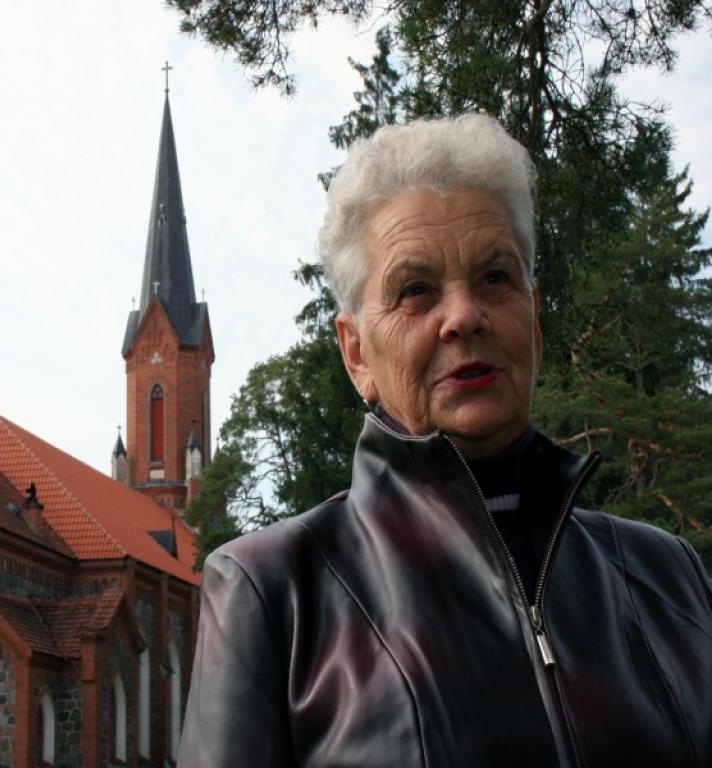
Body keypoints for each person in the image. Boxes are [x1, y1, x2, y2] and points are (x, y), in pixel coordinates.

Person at [178, 114, 712, 767]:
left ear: (534, 322)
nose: (463, 315)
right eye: (415, 289)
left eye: (494, 277)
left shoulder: (667, 576)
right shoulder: (273, 595)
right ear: (356, 356)